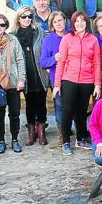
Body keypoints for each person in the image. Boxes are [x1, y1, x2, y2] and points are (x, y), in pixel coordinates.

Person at [53, 11, 102, 156]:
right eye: (77, 21)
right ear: (73, 23)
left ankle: (80, 138)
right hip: (69, 79)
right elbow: (61, 61)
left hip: (87, 81)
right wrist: (57, 84)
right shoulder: (67, 39)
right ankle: (66, 141)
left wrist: (97, 84)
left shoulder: (93, 40)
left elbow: (97, 63)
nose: (79, 24)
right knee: (67, 110)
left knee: (81, 111)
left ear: (87, 23)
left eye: (82, 21)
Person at [0, 14, 26, 154]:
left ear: (6, 26)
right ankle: (1, 140)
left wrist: (21, 79)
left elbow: (20, 60)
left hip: (13, 83)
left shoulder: (13, 40)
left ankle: (15, 139)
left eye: (2, 25)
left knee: (14, 114)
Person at [11, 6, 50, 146]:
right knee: (29, 104)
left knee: (41, 104)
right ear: (18, 18)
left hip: (39, 73)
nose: (27, 19)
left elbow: (48, 49)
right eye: (24, 16)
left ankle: (41, 132)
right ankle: (31, 131)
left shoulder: (39, 32)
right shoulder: (13, 35)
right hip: (25, 74)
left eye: (29, 16)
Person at [40, 11, 69, 146]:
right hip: (57, 78)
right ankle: (62, 133)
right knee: (60, 106)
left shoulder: (72, 35)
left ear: (65, 21)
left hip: (74, 76)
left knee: (74, 105)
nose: (58, 23)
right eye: (55, 21)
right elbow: (43, 62)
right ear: (52, 24)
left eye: (60, 20)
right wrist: (54, 58)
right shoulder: (48, 40)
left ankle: (75, 129)